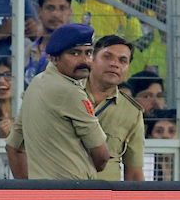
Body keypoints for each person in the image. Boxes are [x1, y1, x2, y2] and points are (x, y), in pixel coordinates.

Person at [6, 23, 110, 179]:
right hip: (72, 192)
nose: (84, 60)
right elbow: (102, 157)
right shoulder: (70, 91)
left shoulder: (36, 83)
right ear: (54, 58)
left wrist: (27, 189)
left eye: (88, 53)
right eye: (74, 53)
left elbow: (13, 146)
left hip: (42, 192)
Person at [86, 34, 145, 181]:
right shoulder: (66, 94)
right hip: (63, 195)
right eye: (107, 57)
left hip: (105, 198)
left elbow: (134, 172)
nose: (115, 64)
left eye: (122, 60)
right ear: (91, 59)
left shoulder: (132, 112)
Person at [26, 0, 73, 84]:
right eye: (50, 8)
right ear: (39, 11)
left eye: (62, 8)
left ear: (69, 12)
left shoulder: (77, 53)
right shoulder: (24, 51)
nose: (56, 14)